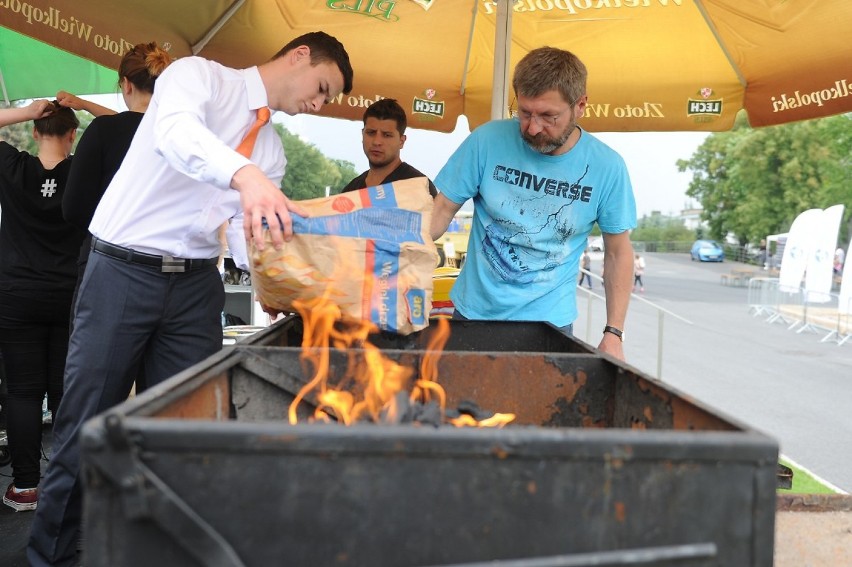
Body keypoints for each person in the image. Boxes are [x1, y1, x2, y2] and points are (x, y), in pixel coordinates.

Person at [27, 31, 354, 567]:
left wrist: (278, 286)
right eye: (321, 88)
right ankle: (53, 559)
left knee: (183, 434)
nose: (317, 105)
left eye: (327, 100)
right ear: (298, 57)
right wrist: (243, 174)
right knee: (85, 425)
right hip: (122, 270)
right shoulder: (198, 76)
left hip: (196, 287)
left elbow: (247, 230)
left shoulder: (269, 148)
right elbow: (176, 135)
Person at [430, 46, 636, 360]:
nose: (532, 127)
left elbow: (618, 252)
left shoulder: (608, 168)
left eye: (548, 116)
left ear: (580, 105)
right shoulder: (486, 141)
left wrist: (614, 333)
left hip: (548, 326)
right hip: (473, 316)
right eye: (524, 112)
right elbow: (441, 208)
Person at [0, 98, 112, 513]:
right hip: (71, 294)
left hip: (15, 293)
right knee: (67, 390)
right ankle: (67, 485)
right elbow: (130, 125)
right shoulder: (85, 172)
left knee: (23, 393)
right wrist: (81, 103)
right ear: (72, 135)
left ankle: (26, 487)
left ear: (34, 132)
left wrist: (30, 110)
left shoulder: (12, 167)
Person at [62, 42, 173, 314]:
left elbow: (73, 207)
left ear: (126, 84)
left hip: (107, 263)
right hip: (171, 272)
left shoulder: (104, 131)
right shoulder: (179, 133)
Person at [341, 98, 437, 197]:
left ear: (401, 141)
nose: (376, 142)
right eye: (371, 133)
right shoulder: (350, 191)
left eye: (387, 135)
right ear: (362, 134)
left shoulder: (420, 187)